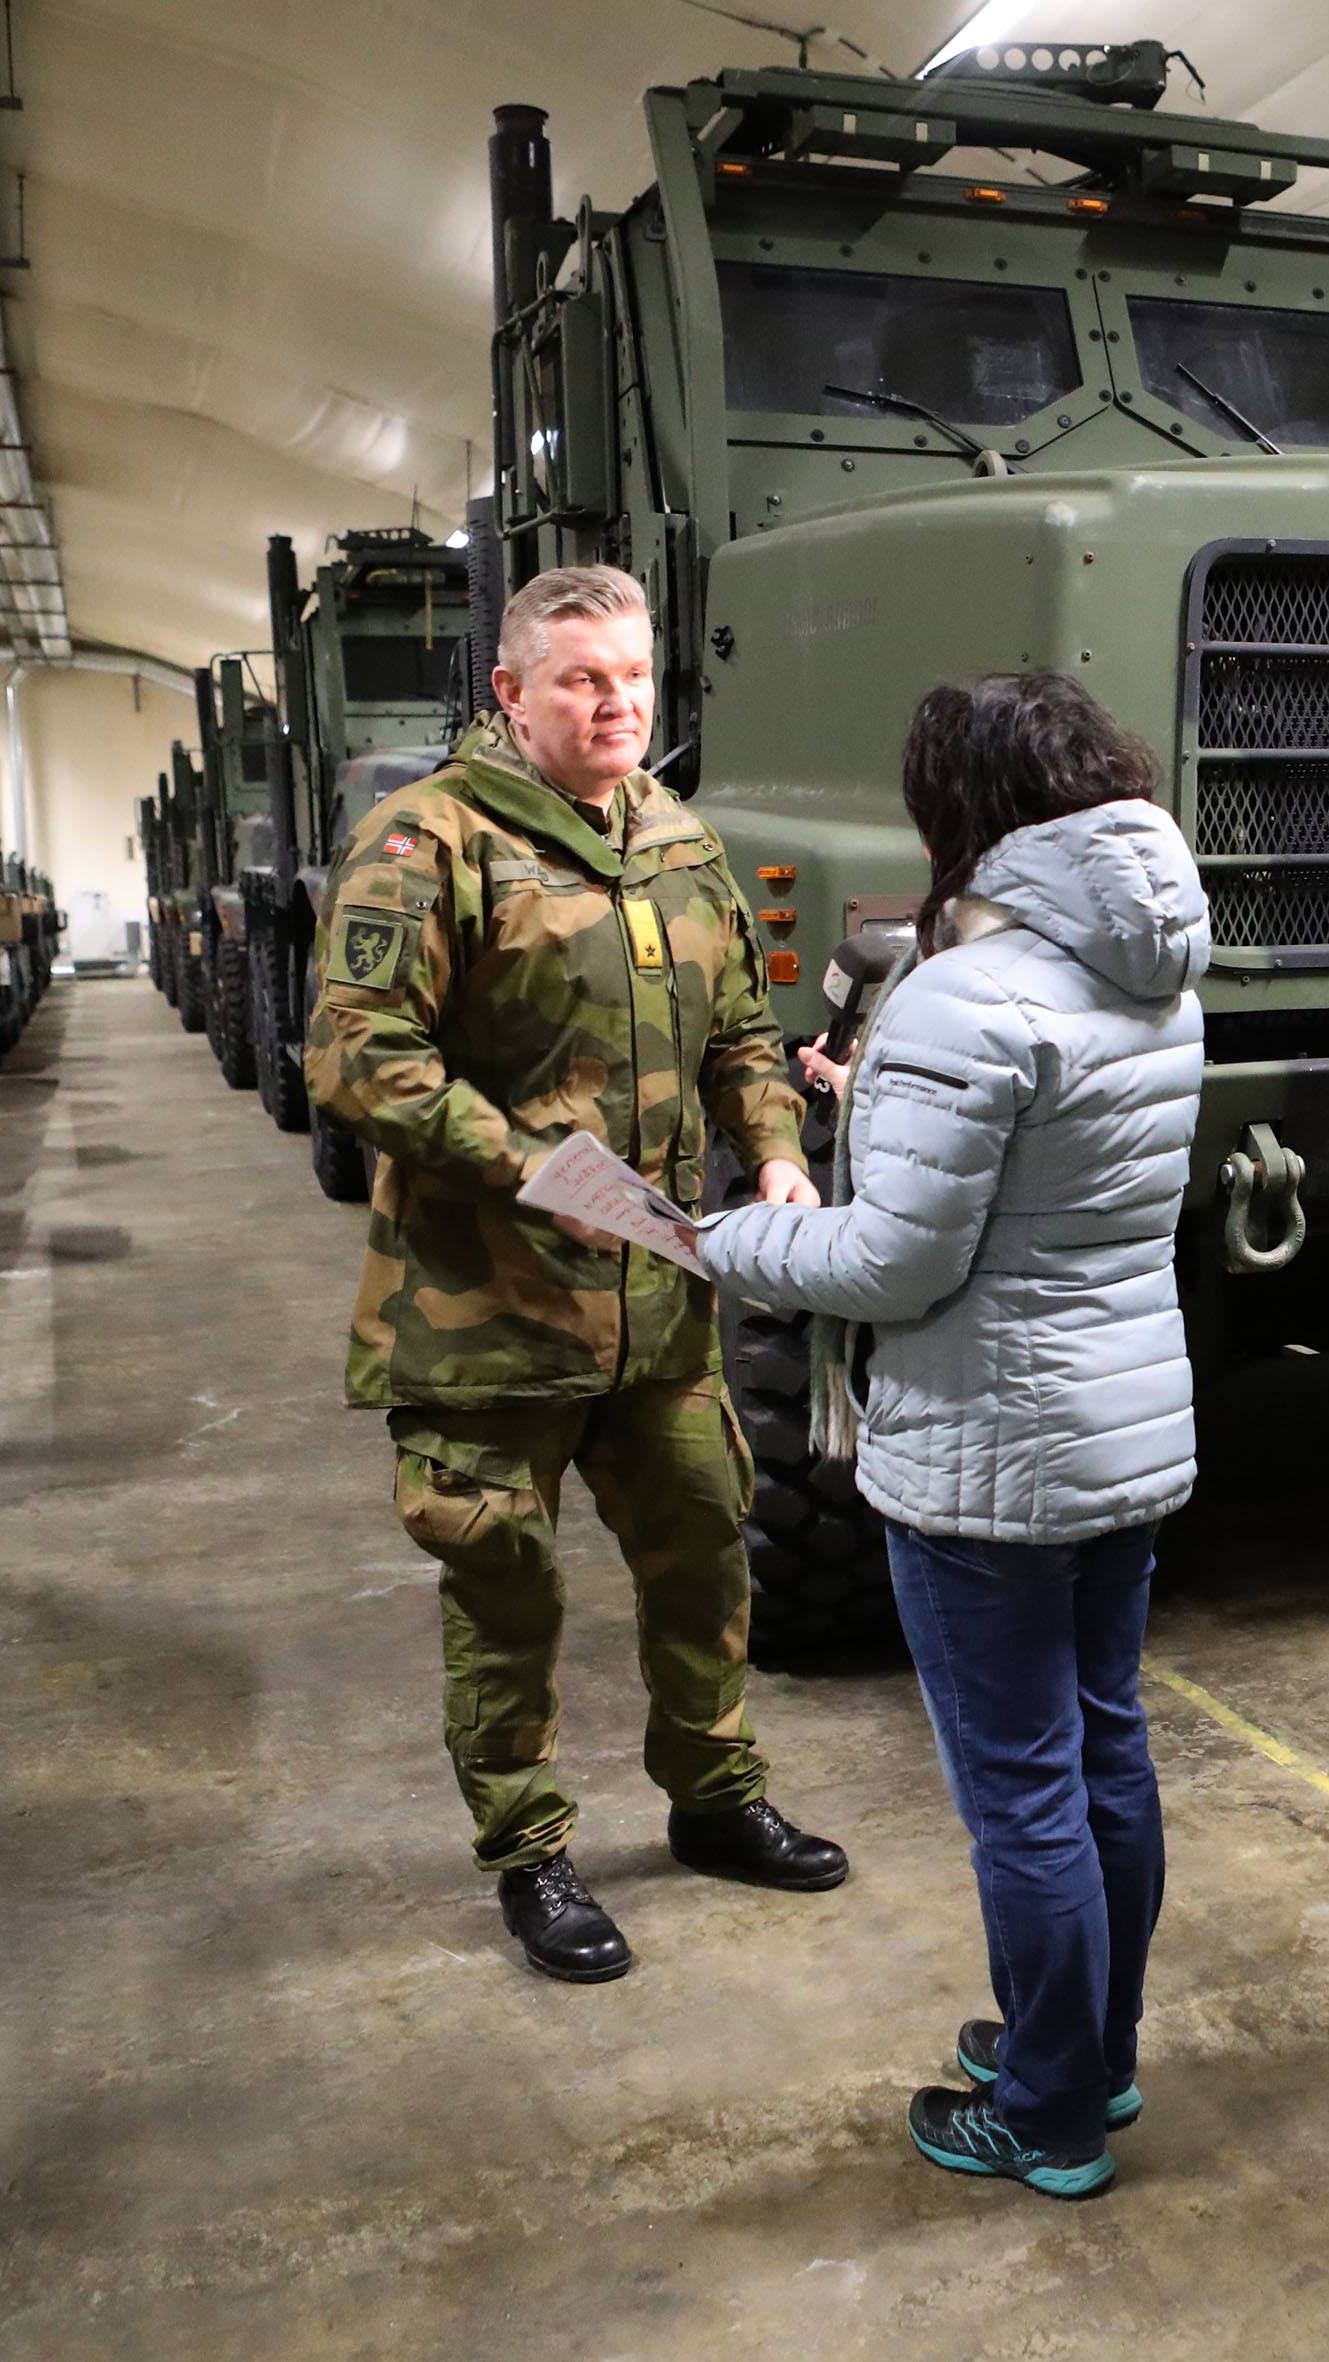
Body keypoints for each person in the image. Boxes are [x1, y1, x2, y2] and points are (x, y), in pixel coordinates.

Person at [703, 672, 1208, 2202]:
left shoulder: (959, 994)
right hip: (1122, 1434)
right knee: (1102, 1747)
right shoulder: (1152, 967)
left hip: (989, 1457)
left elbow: (888, 1266)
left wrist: (716, 1236)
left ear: (964, 813)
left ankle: (1047, 2112)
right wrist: (884, 1098)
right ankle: (1093, 2051)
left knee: (1022, 1787)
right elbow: (1059, 1162)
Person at [307, 563, 849, 1985]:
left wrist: (776, 1148)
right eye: (583, 680)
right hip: (488, 1311)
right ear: (510, 692)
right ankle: (531, 1853)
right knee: (507, 1589)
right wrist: (525, 1157)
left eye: (635, 678)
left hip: (658, 1305)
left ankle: (715, 1798)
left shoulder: (676, 834)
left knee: (704, 1548)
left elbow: (741, 1022)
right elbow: (357, 1054)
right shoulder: (427, 843)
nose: (618, 704)